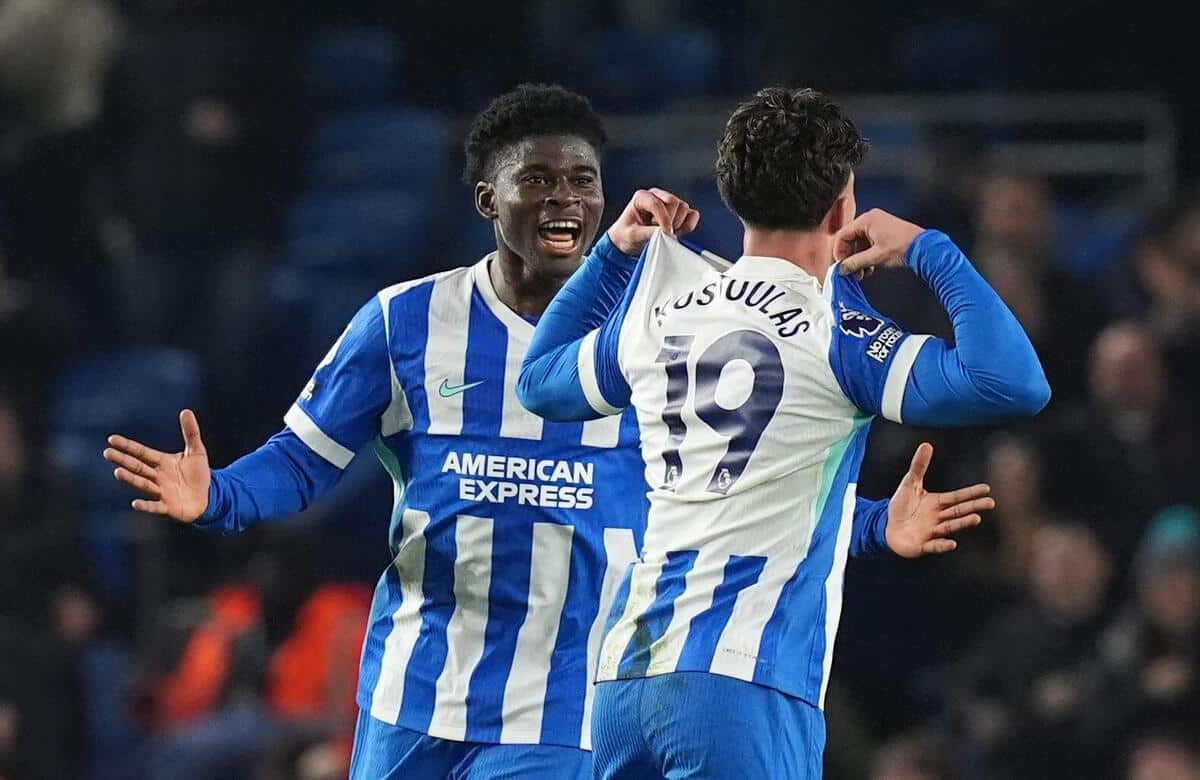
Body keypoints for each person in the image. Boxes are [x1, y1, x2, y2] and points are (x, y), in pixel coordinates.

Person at [104, 83, 997, 779]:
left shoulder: (678, 315)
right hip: (411, 695)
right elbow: (302, 463)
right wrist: (217, 496)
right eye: (537, 180)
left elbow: (742, 489)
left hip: (565, 712)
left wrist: (872, 525)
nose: (564, 199)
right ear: (486, 199)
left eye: (583, 181)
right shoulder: (405, 322)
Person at [518, 86, 1049, 778]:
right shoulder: (837, 330)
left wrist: (614, 253)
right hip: (744, 683)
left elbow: (539, 382)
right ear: (841, 208)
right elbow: (1012, 381)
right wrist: (930, 249)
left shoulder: (663, 305)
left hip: (628, 680)